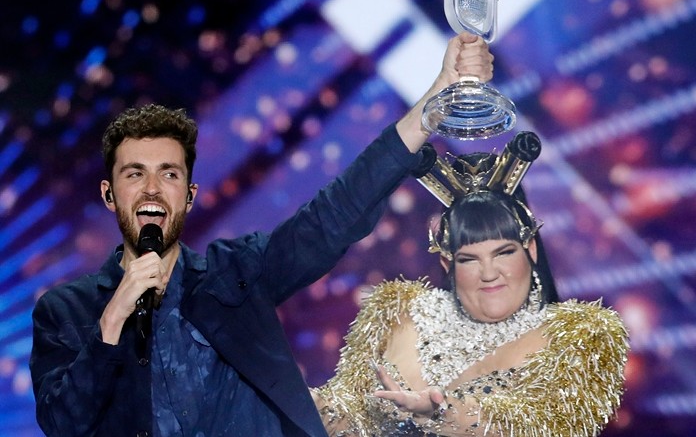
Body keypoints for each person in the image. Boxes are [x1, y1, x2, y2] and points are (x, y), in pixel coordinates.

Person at [29, 32, 493, 437]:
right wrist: (112, 321)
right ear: (110, 195)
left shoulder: (237, 272)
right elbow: (64, 424)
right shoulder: (66, 312)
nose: (152, 188)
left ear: (188, 196)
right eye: (135, 174)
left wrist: (434, 103)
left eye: (168, 174)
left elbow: (331, 217)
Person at [311, 133, 630, 437]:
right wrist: (292, 401)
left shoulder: (580, 335)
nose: (489, 272)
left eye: (504, 253)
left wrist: (438, 412)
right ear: (448, 264)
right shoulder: (396, 313)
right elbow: (347, 415)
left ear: (530, 248)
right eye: (469, 259)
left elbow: (543, 422)